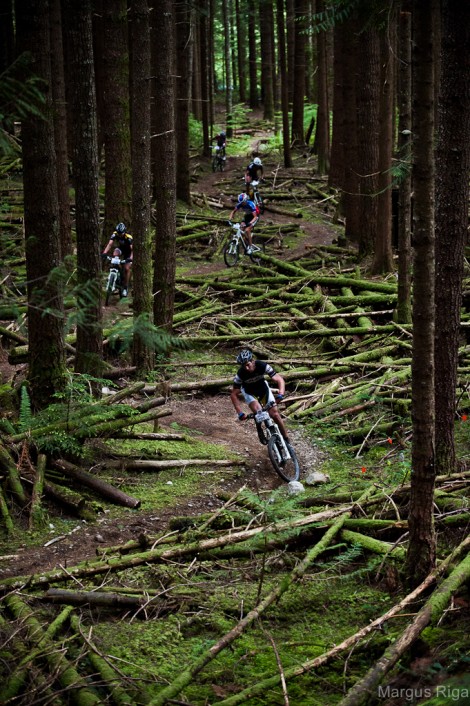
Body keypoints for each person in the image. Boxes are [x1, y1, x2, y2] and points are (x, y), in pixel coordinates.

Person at [230, 349, 290, 443]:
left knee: (275, 414)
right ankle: (259, 427)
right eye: (243, 366)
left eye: (247, 364)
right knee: (258, 411)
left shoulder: (262, 365)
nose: (246, 368)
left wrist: (281, 394)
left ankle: (286, 439)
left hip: (263, 389)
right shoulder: (240, 374)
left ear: (253, 361)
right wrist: (240, 413)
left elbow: (279, 379)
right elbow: (234, 394)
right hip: (250, 392)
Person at [101, 222, 133, 297]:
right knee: (115, 252)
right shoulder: (115, 234)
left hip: (128, 252)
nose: (119, 235)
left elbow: (133, 250)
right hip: (121, 249)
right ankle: (115, 270)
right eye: (118, 233)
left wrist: (130, 259)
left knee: (127, 268)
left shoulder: (128, 237)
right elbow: (110, 244)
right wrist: (104, 253)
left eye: (121, 233)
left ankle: (125, 287)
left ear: (124, 232)